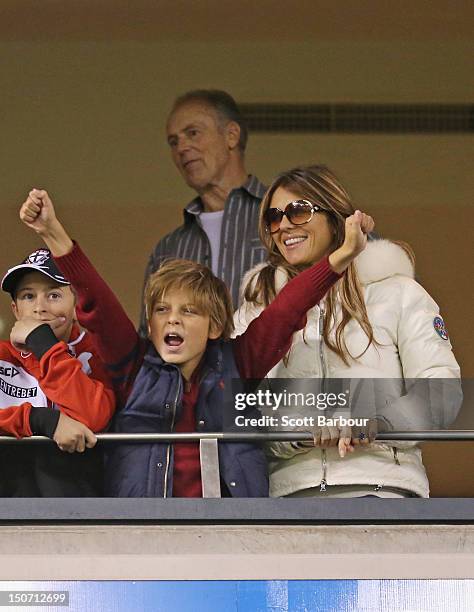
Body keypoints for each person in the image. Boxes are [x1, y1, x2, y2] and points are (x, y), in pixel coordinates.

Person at [19, 188, 372, 498]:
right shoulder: (132, 366)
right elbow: (98, 303)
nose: (172, 319)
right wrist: (54, 235)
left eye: (189, 311)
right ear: (151, 323)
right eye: (161, 310)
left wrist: (340, 257)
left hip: (234, 533)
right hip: (144, 535)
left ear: (215, 326)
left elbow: (286, 310)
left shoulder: (240, 363)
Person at [234, 164, 462, 499]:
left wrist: (377, 424)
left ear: (335, 217)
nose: (283, 226)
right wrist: (299, 432)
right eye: (274, 217)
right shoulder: (258, 309)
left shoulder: (397, 292)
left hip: (386, 489)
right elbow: (239, 407)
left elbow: (442, 390)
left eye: (298, 212)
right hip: (290, 497)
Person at [140, 89, 267, 335]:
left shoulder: (284, 219)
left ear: (231, 135)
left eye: (193, 133)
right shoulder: (168, 249)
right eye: (173, 141)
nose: (182, 147)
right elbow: (148, 338)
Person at [0, 248, 115, 496]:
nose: (39, 307)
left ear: (75, 307)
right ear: (15, 309)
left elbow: (92, 416)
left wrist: (42, 344)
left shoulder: (96, 354)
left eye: (53, 295)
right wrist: (40, 421)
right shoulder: (2, 356)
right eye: (28, 296)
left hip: (74, 517)